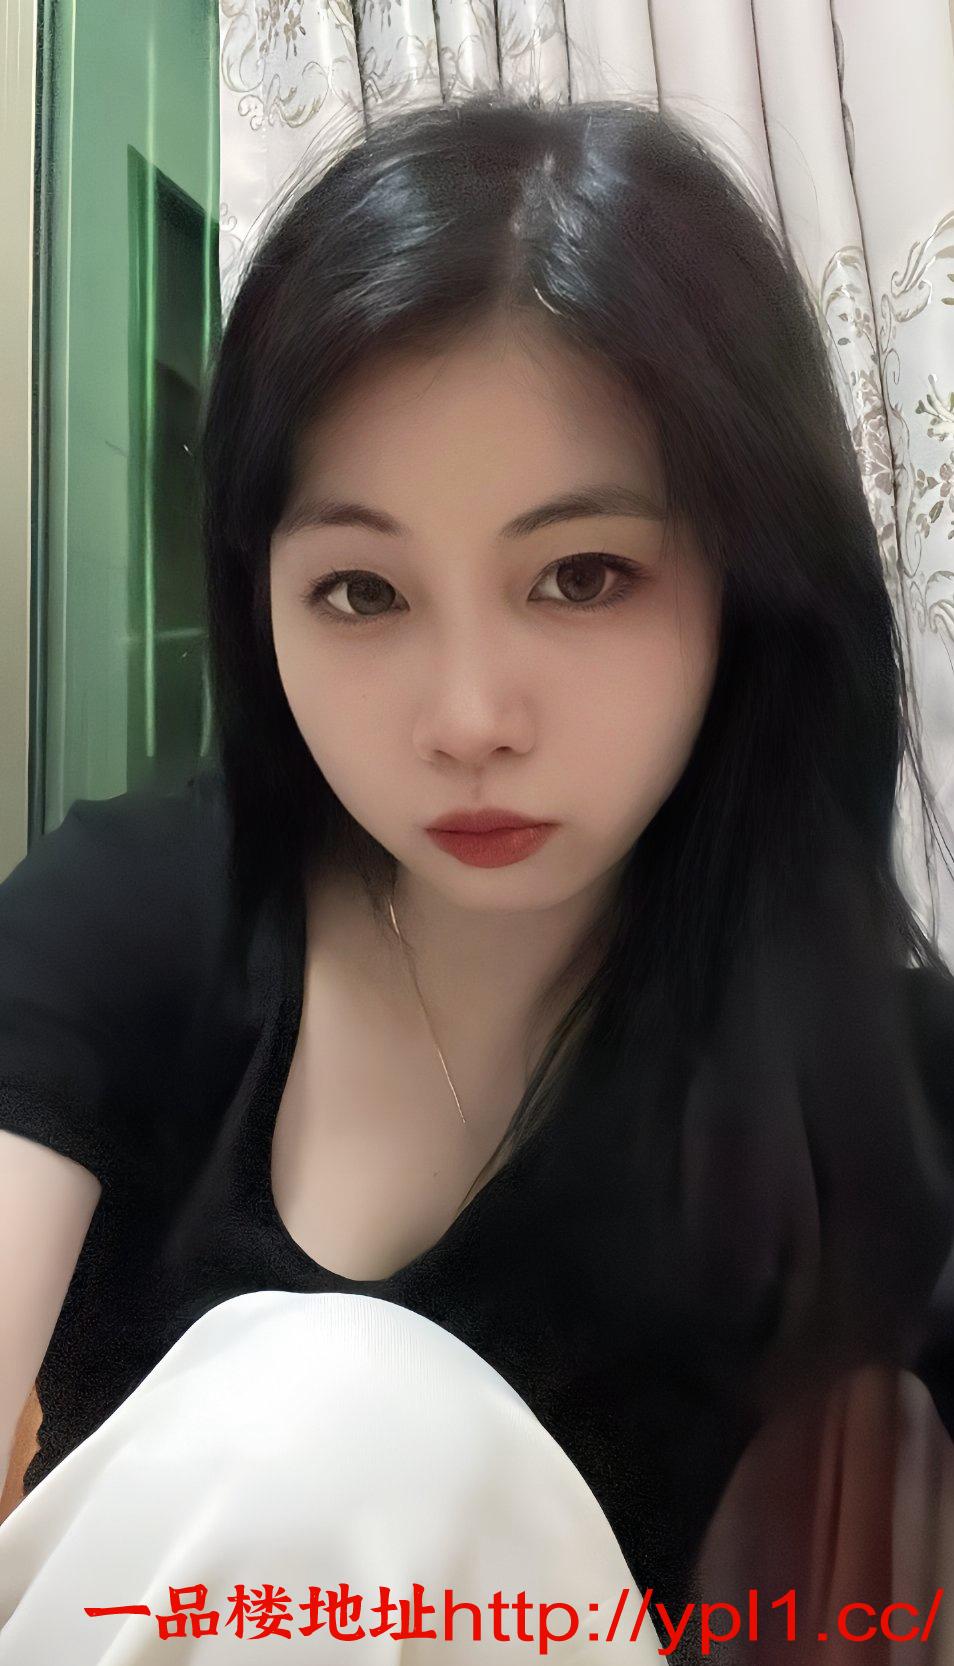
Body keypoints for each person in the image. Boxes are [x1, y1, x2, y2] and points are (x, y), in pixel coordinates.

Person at [1, 89, 953, 1664]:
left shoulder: (890, 1093)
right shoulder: (136, 913)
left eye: (581, 575)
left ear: (747, 584)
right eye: (361, 591)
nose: (465, 721)